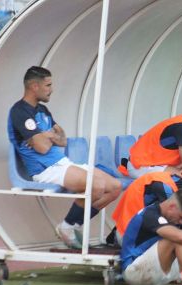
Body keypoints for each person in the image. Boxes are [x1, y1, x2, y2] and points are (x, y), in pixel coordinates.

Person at [7, 66, 122, 249]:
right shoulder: (19, 111)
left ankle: (73, 224)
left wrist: (45, 135)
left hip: (61, 163)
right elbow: (43, 149)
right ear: (34, 86)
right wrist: (48, 137)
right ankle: (67, 227)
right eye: (48, 85)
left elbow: (63, 140)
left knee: (115, 187)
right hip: (44, 169)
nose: (51, 89)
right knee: (96, 185)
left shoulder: (43, 110)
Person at [111, 168, 182, 245]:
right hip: (128, 238)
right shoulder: (165, 188)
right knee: (178, 239)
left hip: (123, 231)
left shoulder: (167, 178)